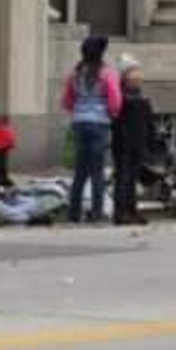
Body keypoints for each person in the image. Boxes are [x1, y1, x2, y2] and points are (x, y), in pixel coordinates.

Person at [62, 35, 120, 223]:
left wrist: (79, 111)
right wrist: (112, 114)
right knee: (97, 170)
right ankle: (96, 212)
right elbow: (115, 101)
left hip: (79, 122)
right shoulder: (106, 74)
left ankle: (74, 212)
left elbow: (67, 101)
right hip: (99, 123)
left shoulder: (75, 74)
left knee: (80, 171)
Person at [113, 55, 152, 225]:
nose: (138, 76)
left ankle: (131, 209)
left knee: (132, 177)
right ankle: (121, 210)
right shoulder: (124, 98)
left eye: (138, 72)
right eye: (134, 72)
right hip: (124, 142)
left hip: (137, 142)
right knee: (124, 176)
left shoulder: (139, 97)